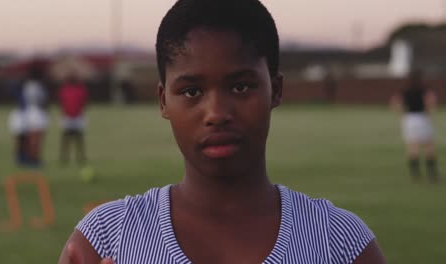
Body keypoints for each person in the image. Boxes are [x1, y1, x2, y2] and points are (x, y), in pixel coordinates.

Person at [58, 0, 386, 263]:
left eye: (241, 87)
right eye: (191, 92)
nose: (216, 114)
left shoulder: (340, 242)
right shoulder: (105, 239)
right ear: (163, 101)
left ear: (275, 89)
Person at [391, 70, 439, 183]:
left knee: (413, 146)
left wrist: (402, 114)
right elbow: (431, 100)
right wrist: (428, 112)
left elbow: (394, 102)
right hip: (422, 117)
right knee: (428, 146)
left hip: (409, 119)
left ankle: (416, 175)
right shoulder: (424, 89)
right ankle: (432, 174)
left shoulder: (405, 90)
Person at [22, 61, 49, 167]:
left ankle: (31, 158)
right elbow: (41, 101)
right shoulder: (36, 86)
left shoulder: (27, 85)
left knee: (32, 138)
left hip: (30, 112)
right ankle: (33, 159)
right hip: (37, 113)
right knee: (36, 138)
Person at [58, 74, 89, 165]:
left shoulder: (79, 90)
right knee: (70, 138)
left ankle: (79, 157)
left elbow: (83, 102)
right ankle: (65, 157)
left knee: (76, 138)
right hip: (70, 116)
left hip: (75, 116)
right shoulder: (66, 90)